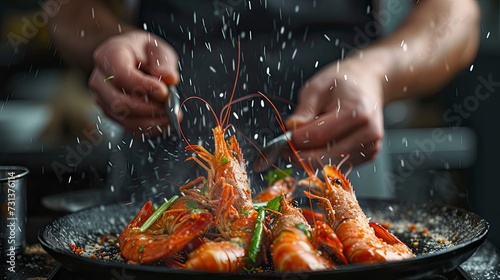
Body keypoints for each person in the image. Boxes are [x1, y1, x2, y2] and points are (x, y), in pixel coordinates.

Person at [44, 0, 480, 200]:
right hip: (158, 172)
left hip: (342, 166)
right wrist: (112, 41)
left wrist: (375, 73)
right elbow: (67, 8)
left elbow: (457, 16)